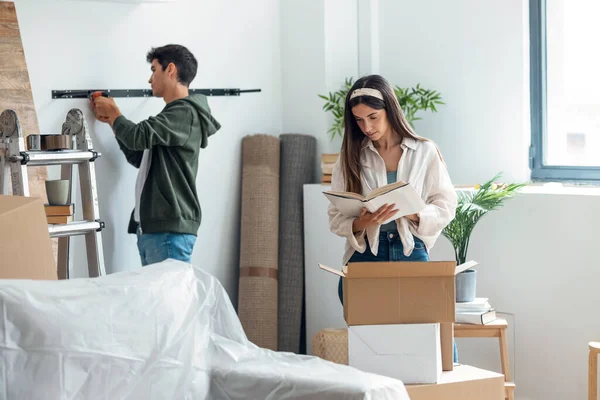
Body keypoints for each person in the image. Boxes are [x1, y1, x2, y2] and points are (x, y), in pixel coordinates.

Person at [327, 74, 458, 360]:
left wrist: (414, 212)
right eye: (359, 120)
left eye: (373, 117)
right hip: (364, 258)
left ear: (390, 110)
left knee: (435, 346)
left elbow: (447, 205)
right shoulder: (350, 155)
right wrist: (363, 222)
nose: (367, 127)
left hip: (411, 253)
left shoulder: (424, 151)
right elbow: (335, 215)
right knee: (373, 352)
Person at [91, 44, 221, 266]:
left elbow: (136, 136)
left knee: (168, 301)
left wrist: (115, 114)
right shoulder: (175, 115)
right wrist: (114, 122)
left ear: (170, 70)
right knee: (159, 300)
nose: (150, 79)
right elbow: (140, 157)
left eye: (154, 70)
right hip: (155, 230)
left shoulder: (184, 112)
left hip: (169, 231)